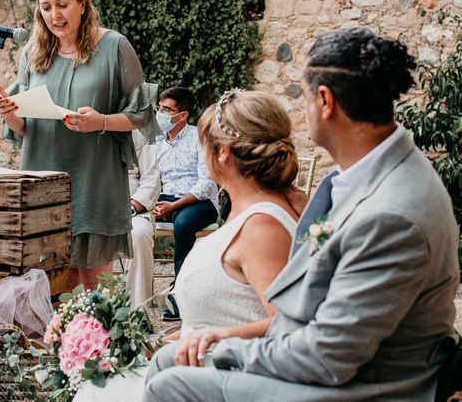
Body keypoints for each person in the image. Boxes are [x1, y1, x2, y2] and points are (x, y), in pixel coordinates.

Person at [144, 28, 461, 402]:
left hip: (370, 387)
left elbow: (327, 358)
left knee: (173, 383)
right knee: (168, 360)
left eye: (305, 96)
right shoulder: (360, 176)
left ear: (324, 101)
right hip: (335, 360)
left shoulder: (391, 212)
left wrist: (220, 343)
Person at [72, 89, 304, 402]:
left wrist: (214, 338)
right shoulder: (245, 213)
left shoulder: (263, 228)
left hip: (219, 381)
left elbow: (290, 326)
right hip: (191, 363)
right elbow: (221, 317)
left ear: (222, 153)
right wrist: (147, 346)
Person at [0, 0, 159, 290]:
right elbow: (24, 127)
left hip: (95, 180)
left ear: (82, 3)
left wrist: (101, 121)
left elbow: (141, 113)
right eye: (46, 7)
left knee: (99, 293)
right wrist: (9, 113)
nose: (54, 15)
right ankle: (61, 344)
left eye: (62, 4)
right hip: (44, 180)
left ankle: (101, 342)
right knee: (55, 290)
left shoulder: (115, 47)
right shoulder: (33, 52)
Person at [153, 87, 219, 321]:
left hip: (198, 202)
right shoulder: (156, 140)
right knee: (136, 220)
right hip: (166, 200)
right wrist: (152, 203)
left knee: (182, 223)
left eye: (166, 109)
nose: (159, 113)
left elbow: (208, 183)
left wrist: (175, 206)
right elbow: (150, 177)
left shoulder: (199, 138)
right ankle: (134, 294)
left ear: (182, 115)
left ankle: (181, 292)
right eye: (158, 108)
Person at [126, 130, 161, 309]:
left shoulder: (137, 134)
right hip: (91, 211)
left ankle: (137, 311)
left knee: (138, 234)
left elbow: (151, 179)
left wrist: (133, 207)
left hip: (132, 211)